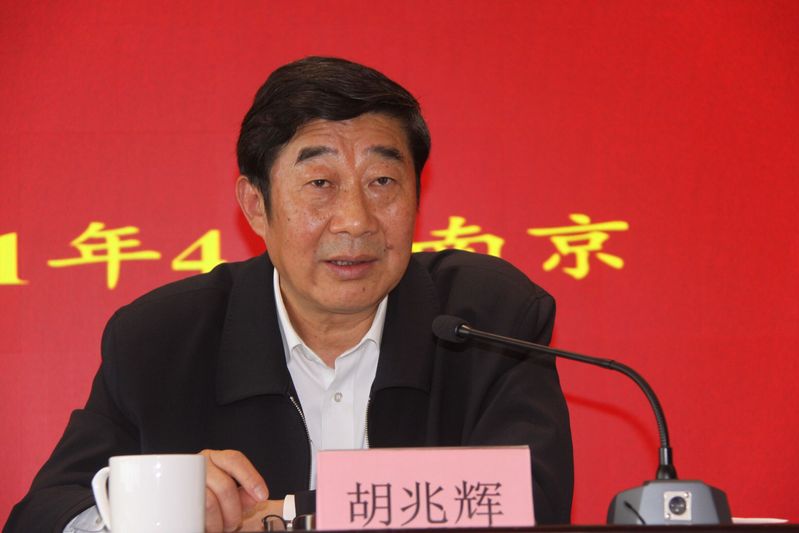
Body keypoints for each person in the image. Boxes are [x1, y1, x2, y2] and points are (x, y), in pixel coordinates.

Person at [4, 57, 573, 533]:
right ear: (256, 207)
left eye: (382, 182)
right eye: (320, 184)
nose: (355, 220)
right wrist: (159, 506)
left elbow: (532, 501)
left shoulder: (487, 320)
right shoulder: (161, 339)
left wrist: (297, 515)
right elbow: (43, 516)